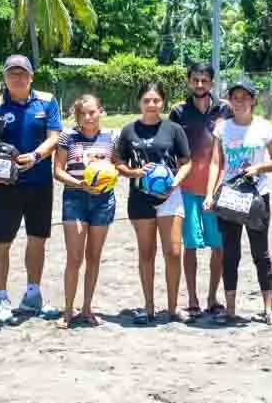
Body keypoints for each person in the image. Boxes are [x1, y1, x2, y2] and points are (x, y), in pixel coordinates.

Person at [0, 54, 63, 325]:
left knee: (37, 239)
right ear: (4, 77)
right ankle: (1, 298)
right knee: (2, 241)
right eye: (12, 73)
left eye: (22, 73)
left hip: (40, 182)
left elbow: (54, 137)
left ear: (31, 76)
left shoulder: (47, 101)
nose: (17, 78)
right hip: (7, 186)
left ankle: (33, 294)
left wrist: (36, 156)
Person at [113, 82, 191, 324]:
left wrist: (174, 183)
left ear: (163, 102)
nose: (151, 105)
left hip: (170, 196)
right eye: (147, 100)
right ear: (140, 102)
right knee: (147, 253)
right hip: (140, 198)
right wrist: (134, 173)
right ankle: (148, 307)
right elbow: (118, 162)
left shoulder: (174, 129)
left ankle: (173, 307)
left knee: (173, 252)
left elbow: (186, 162)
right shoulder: (129, 130)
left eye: (156, 100)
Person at [204, 82, 272, 325]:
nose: (239, 102)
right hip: (230, 196)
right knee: (230, 253)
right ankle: (230, 310)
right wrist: (209, 194)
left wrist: (258, 168)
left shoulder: (264, 127)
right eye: (235, 97)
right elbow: (216, 163)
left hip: (257, 195)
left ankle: (269, 308)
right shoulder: (222, 129)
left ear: (253, 100)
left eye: (245, 97)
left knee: (261, 252)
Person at [169, 62, 231, 318]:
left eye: (204, 80)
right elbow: (171, 148)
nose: (199, 85)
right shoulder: (178, 112)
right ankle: (193, 298)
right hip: (187, 188)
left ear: (212, 83)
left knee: (219, 246)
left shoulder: (225, 109)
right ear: (189, 81)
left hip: (218, 188)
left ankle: (213, 297)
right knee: (191, 245)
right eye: (195, 80)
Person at [53, 94, 118, 328]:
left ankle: (87, 308)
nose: (88, 117)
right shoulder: (67, 137)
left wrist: (119, 175)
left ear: (100, 111)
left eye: (92, 112)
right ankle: (68, 310)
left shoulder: (111, 137)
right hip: (75, 198)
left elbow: (117, 166)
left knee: (94, 257)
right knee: (74, 257)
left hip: (103, 200)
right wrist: (80, 184)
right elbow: (58, 171)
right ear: (77, 116)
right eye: (83, 113)